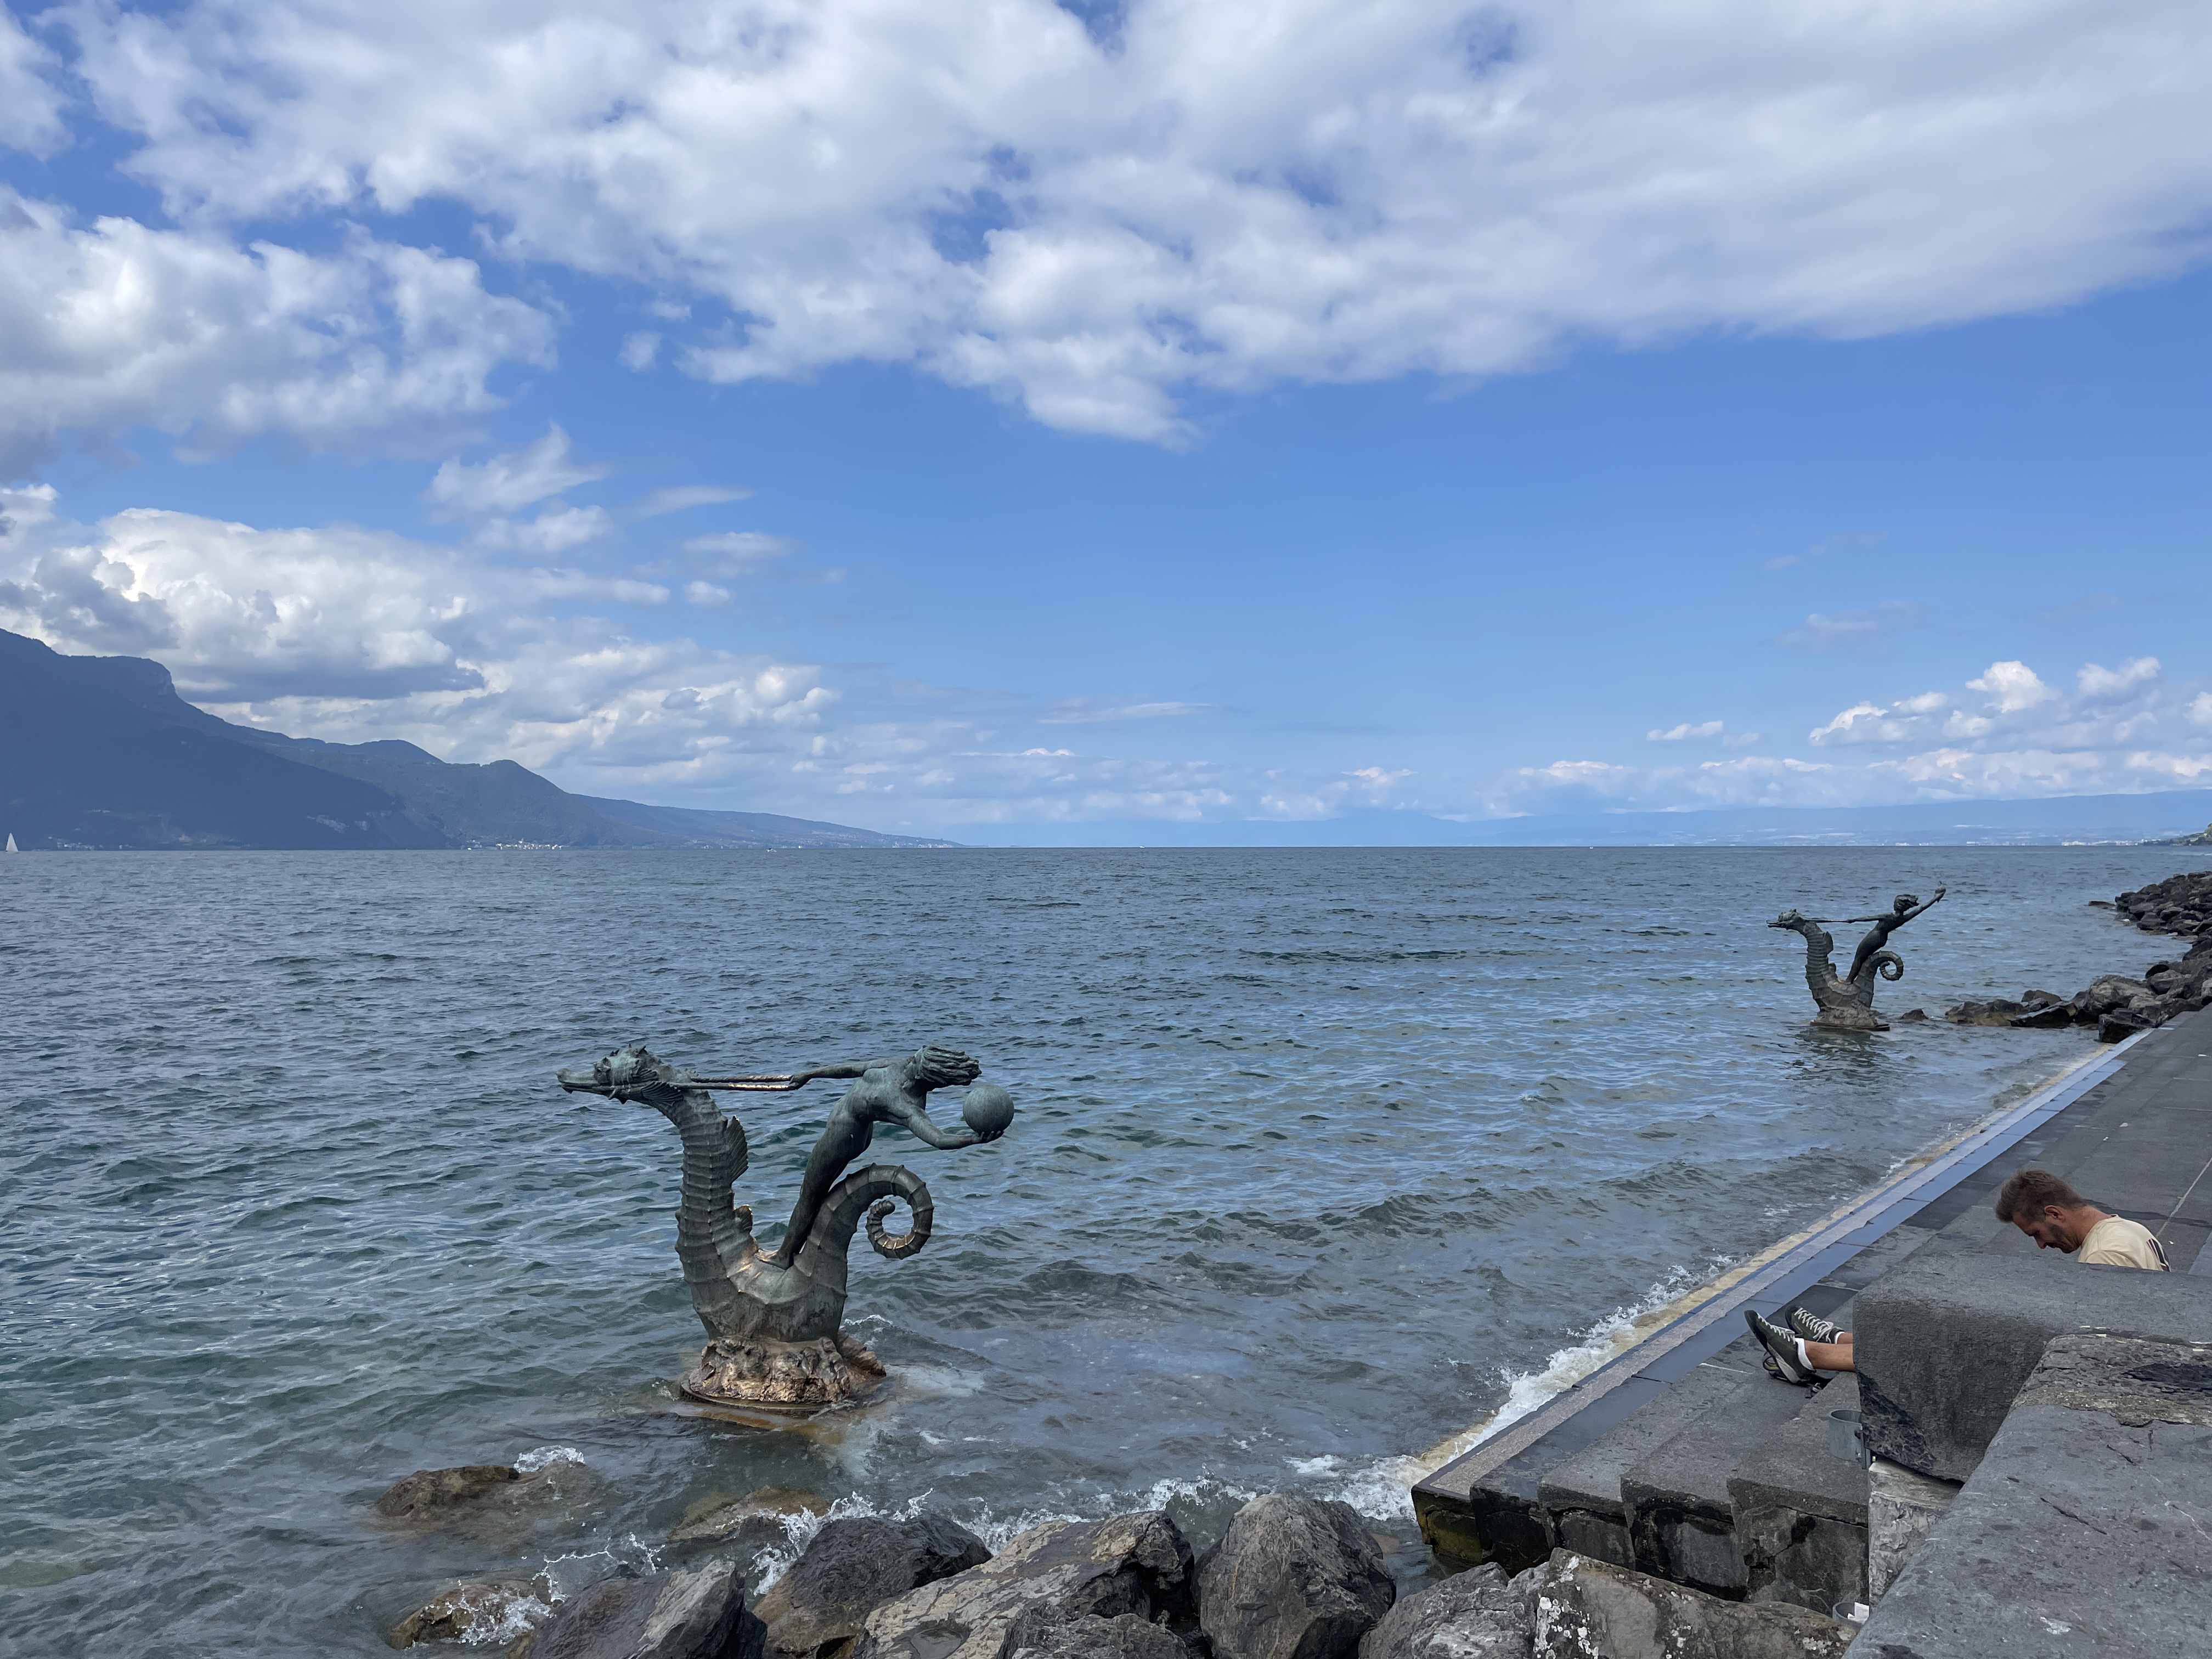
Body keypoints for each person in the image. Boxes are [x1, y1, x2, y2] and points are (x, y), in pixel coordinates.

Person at [1743, 1165, 2168, 1384]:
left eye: (2037, 1233)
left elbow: (2094, 1351)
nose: (2041, 1245)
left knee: (1945, 1337)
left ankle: (1808, 1356)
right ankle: (1839, 1341)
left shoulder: (2107, 1254)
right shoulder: (2126, 1231)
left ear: (2055, 1213)